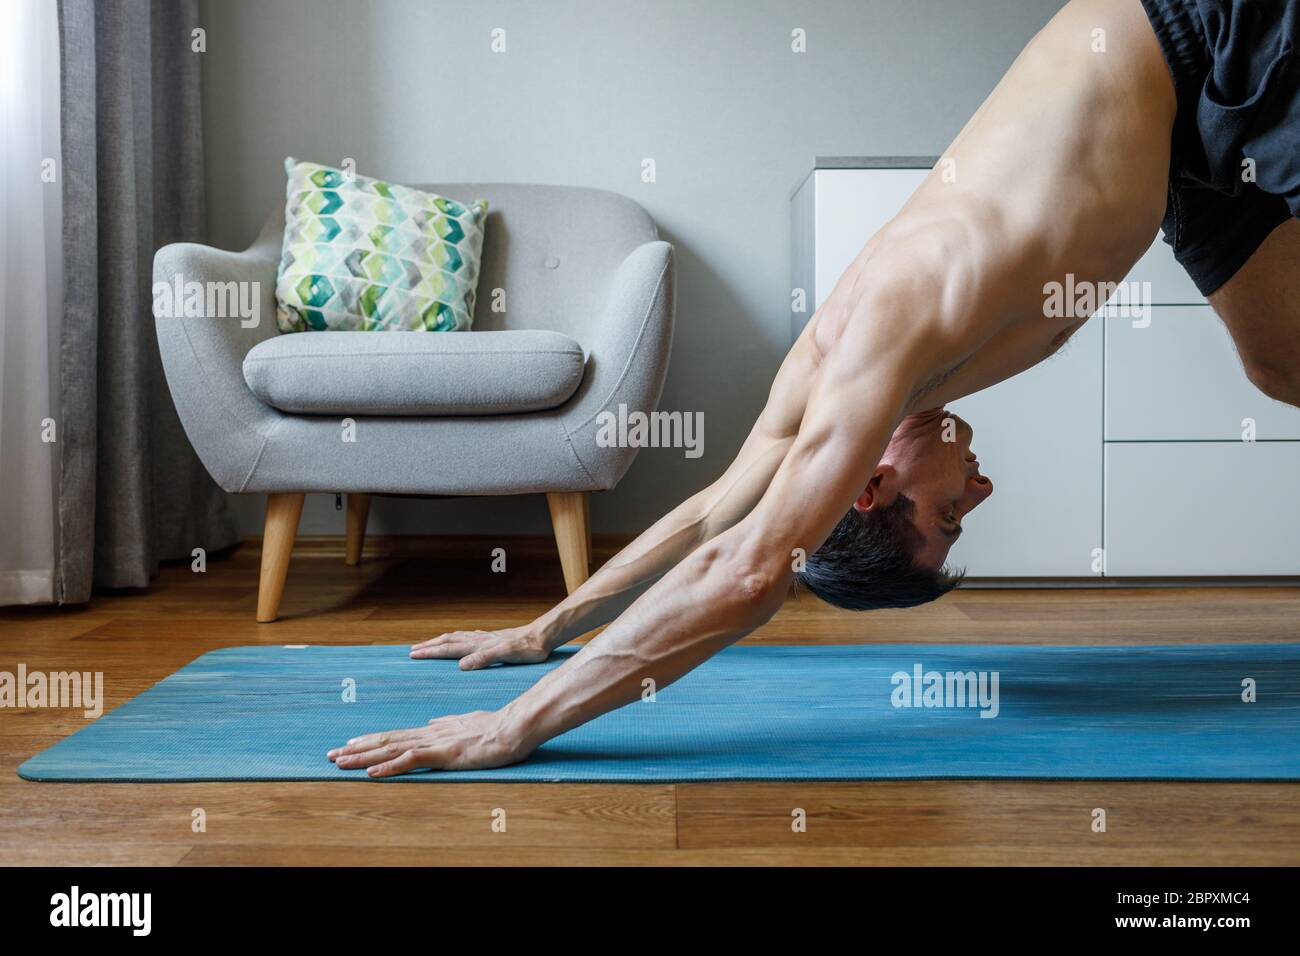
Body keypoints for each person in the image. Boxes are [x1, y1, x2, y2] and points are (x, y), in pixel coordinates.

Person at [329, 0, 1300, 776]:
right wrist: (541, 627)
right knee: (1279, 363)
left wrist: (512, 724)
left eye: (948, 516)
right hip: (1184, 145)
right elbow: (712, 511)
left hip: (1213, 29)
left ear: (870, 487)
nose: (980, 491)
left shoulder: (871, 347)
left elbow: (745, 569)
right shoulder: (831, 381)